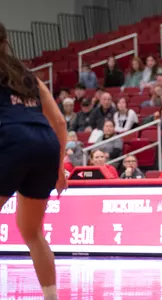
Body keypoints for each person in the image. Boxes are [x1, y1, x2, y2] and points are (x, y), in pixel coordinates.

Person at [0, 22, 68, 300]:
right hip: (46, 146)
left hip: (13, 141)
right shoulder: (28, 76)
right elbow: (60, 122)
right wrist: (60, 169)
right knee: (32, 232)